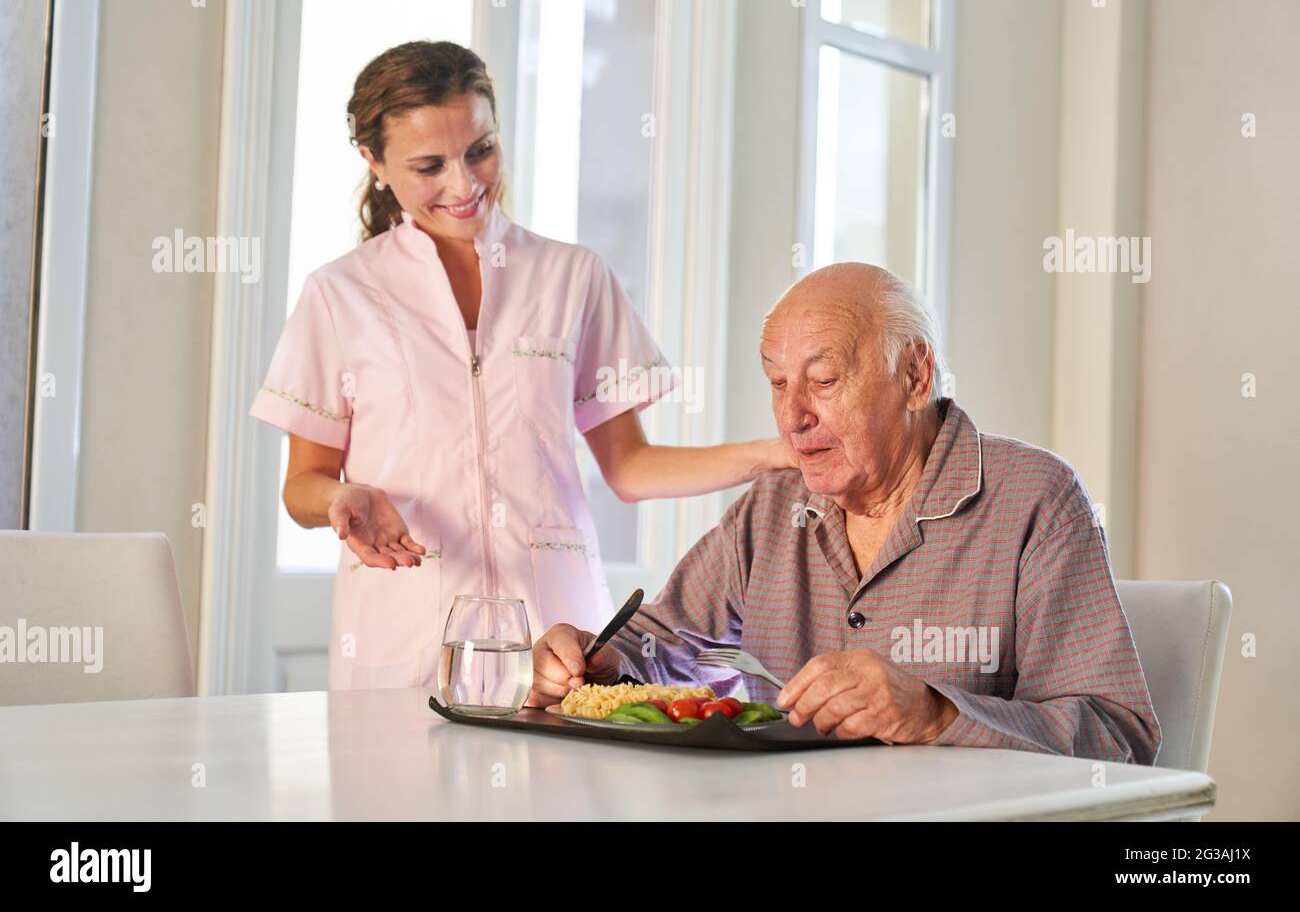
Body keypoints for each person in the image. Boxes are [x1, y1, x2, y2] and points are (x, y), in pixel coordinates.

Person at [249, 41, 793, 690]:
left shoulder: (572, 277)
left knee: (559, 789)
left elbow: (630, 467)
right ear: (374, 161)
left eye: (481, 149)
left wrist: (773, 454)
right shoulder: (339, 295)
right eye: (429, 165)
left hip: (556, 639)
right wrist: (344, 495)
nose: (465, 184)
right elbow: (301, 486)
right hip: (402, 642)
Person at [527, 262, 1162, 764]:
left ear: (915, 375)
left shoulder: (1036, 499)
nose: (794, 415)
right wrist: (599, 661)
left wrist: (937, 713)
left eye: (824, 380)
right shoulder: (773, 507)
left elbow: (1119, 737)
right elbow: (661, 646)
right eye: (778, 383)